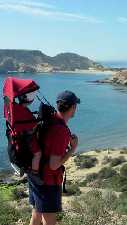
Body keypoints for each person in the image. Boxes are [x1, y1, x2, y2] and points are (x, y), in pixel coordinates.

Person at [28, 90, 80, 225]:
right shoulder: (60, 130)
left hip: (35, 174)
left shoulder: (50, 119)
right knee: (49, 221)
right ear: (73, 107)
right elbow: (54, 165)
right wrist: (73, 149)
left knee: (36, 214)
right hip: (47, 181)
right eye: (76, 106)